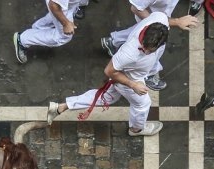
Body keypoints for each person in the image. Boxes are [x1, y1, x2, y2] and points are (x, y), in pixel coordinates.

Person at [46, 12, 197, 136]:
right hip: (130, 78)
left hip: (139, 73)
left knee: (105, 97)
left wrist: (178, 21)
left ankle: (61, 107)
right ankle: (136, 129)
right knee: (143, 104)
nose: (144, 51)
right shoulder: (128, 53)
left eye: (149, 50)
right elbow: (109, 71)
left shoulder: (159, 19)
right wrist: (133, 84)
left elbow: (164, 19)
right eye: (144, 48)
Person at [100, 0, 196, 91]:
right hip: (151, 18)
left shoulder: (160, 17)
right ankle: (150, 74)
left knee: (145, 37)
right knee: (148, 46)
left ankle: (114, 41)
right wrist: (176, 21)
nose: (146, 52)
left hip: (158, 18)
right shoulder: (129, 54)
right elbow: (136, 8)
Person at [12, 0, 79, 64]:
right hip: (56, 5)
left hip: (65, 4)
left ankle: (38, 29)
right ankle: (22, 40)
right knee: (64, 36)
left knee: (60, 12)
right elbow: (53, 5)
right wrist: (66, 24)